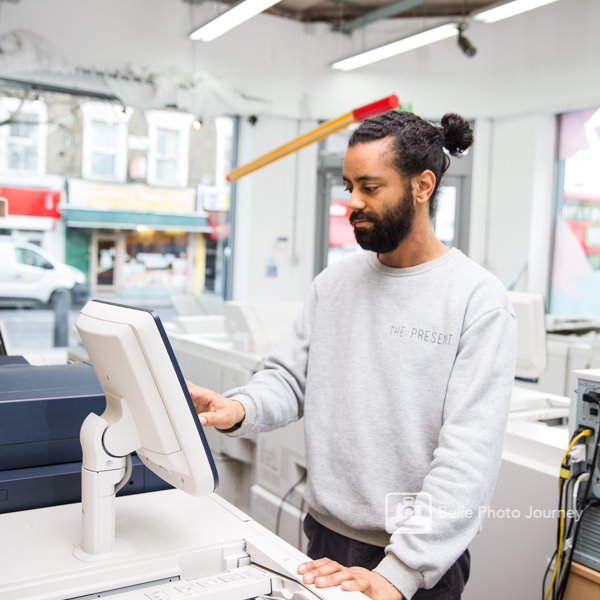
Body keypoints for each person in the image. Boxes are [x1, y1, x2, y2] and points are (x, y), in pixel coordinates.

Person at [188, 110, 516, 600]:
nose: (353, 204)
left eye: (370, 187)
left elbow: (468, 457)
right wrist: (240, 408)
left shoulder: (477, 300)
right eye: (348, 187)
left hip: (415, 562)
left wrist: (399, 572)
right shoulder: (334, 283)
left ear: (422, 186)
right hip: (325, 537)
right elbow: (290, 379)